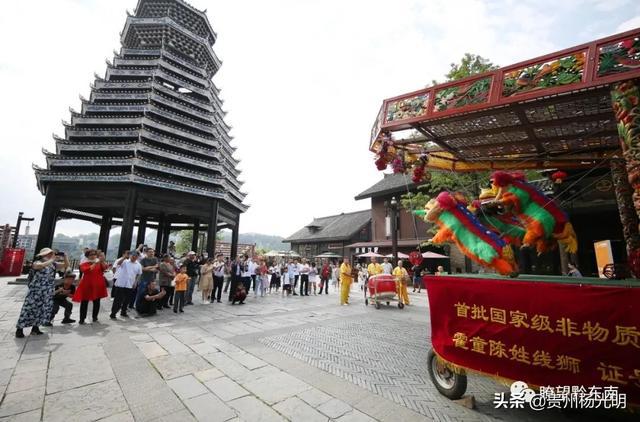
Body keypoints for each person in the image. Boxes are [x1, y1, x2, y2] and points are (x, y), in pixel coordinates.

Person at [16, 248, 69, 337]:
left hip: (47, 291)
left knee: (42, 309)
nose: (50, 255)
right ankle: (19, 329)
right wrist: (52, 260)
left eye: (51, 253)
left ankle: (35, 328)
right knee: (29, 309)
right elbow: (38, 266)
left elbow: (66, 265)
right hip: (36, 290)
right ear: (43, 255)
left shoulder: (53, 264)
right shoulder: (38, 262)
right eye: (48, 254)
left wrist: (65, 256)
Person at [73, 249, 108, 324]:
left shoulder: (99, 263)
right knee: (84, 302)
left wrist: (102, 260)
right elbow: (87, 270)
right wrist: (95, 263)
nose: (93, 256)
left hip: (97, 285)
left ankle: (95, 317)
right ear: (87, 256)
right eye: (91, 255)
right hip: (87, 285)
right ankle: (82, 319)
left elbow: (105, 268)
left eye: (94, 254)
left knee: (97, 302)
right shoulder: (84, 264)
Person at [110, 252, 142, 319]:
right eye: (133, 256)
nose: (134, 257)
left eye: (136, 256)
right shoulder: (125, 262)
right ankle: (113, 313)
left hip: (130, 284)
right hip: (121, 283)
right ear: (130, 256)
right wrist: (124, 257)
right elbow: (118, 264)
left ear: (137, 257)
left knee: (127, 299)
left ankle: (123, 312)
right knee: (118, 299)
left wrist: (136, 282)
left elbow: (139, 274)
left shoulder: (138, 265)